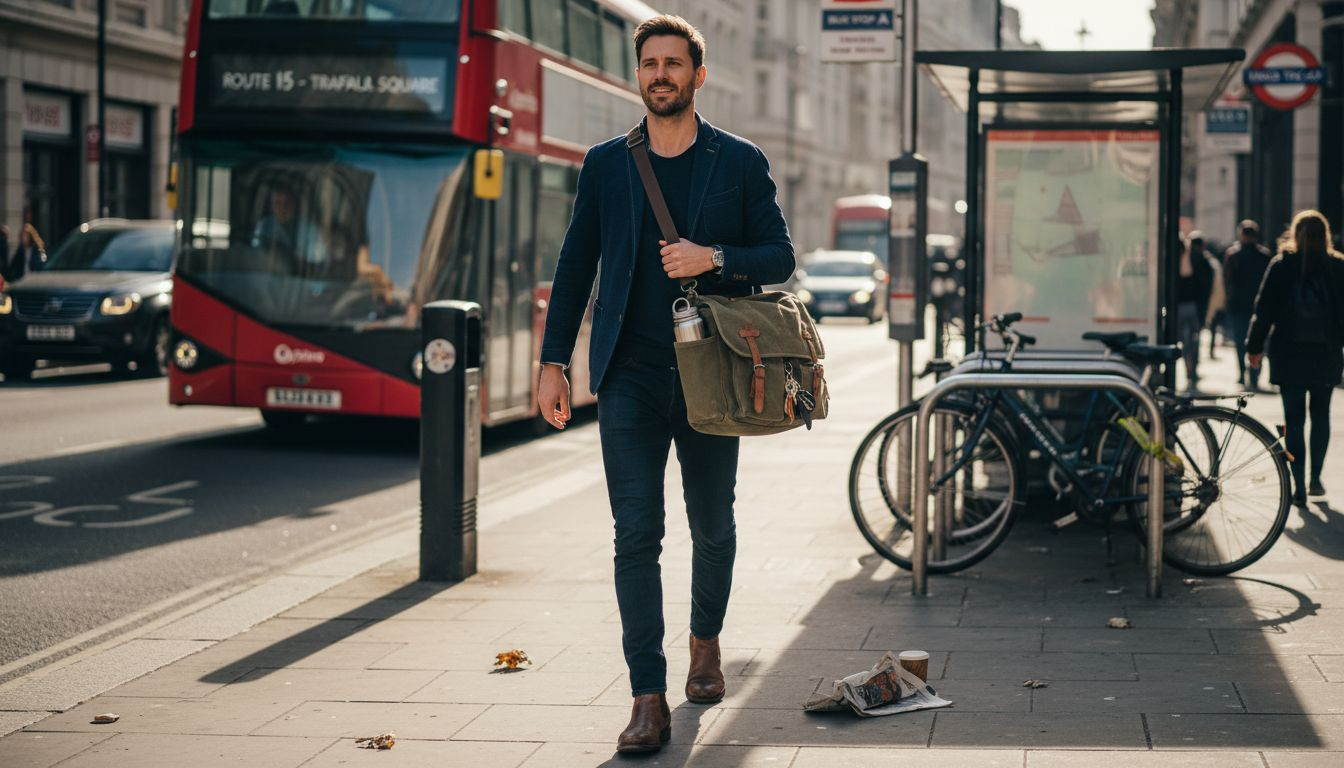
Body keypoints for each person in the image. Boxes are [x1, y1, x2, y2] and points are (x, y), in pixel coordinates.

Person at [535, 15, 793, 754]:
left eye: (673, 64)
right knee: (635, 533)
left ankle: (704, 641)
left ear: (697, 75)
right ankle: (647, 694)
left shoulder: (737, 161)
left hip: (713, 375)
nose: (660, 74)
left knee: (713, 525)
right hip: (630, 375)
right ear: (638, 73)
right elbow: (575, 262)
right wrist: (554, 362)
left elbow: (778, 256)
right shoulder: (607, 164)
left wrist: (711, 256)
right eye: (650, 63)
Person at [1247, 210, 1344, 506]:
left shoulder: (1282, 265)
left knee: (1293, 420)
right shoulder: (1337, 266)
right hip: (1325, 353)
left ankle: (1297, 483)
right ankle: (1316, 478)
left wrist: (1254, 347)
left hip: (1288, 353)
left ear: (1295, 234)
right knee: (1321, 415)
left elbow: (1263, 309)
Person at [1224, 220, 1273, 389]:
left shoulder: (1233, 255)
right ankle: (1254, 373)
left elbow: (1227, 282)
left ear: (1241, 235)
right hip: (1260, 307)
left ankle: (1242, 372)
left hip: (1238, 306)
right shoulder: (1265, 256)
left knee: (1240, 342)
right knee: (1258, 341)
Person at [1176, 234, 1215, 391]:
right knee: (1194, 340)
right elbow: (1208, 284)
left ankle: (1188, 369)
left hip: (1179, 307)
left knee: (1185, 342)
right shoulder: (1199, 258)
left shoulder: (1168, 258)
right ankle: (1192, 369)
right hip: (1194, 306)